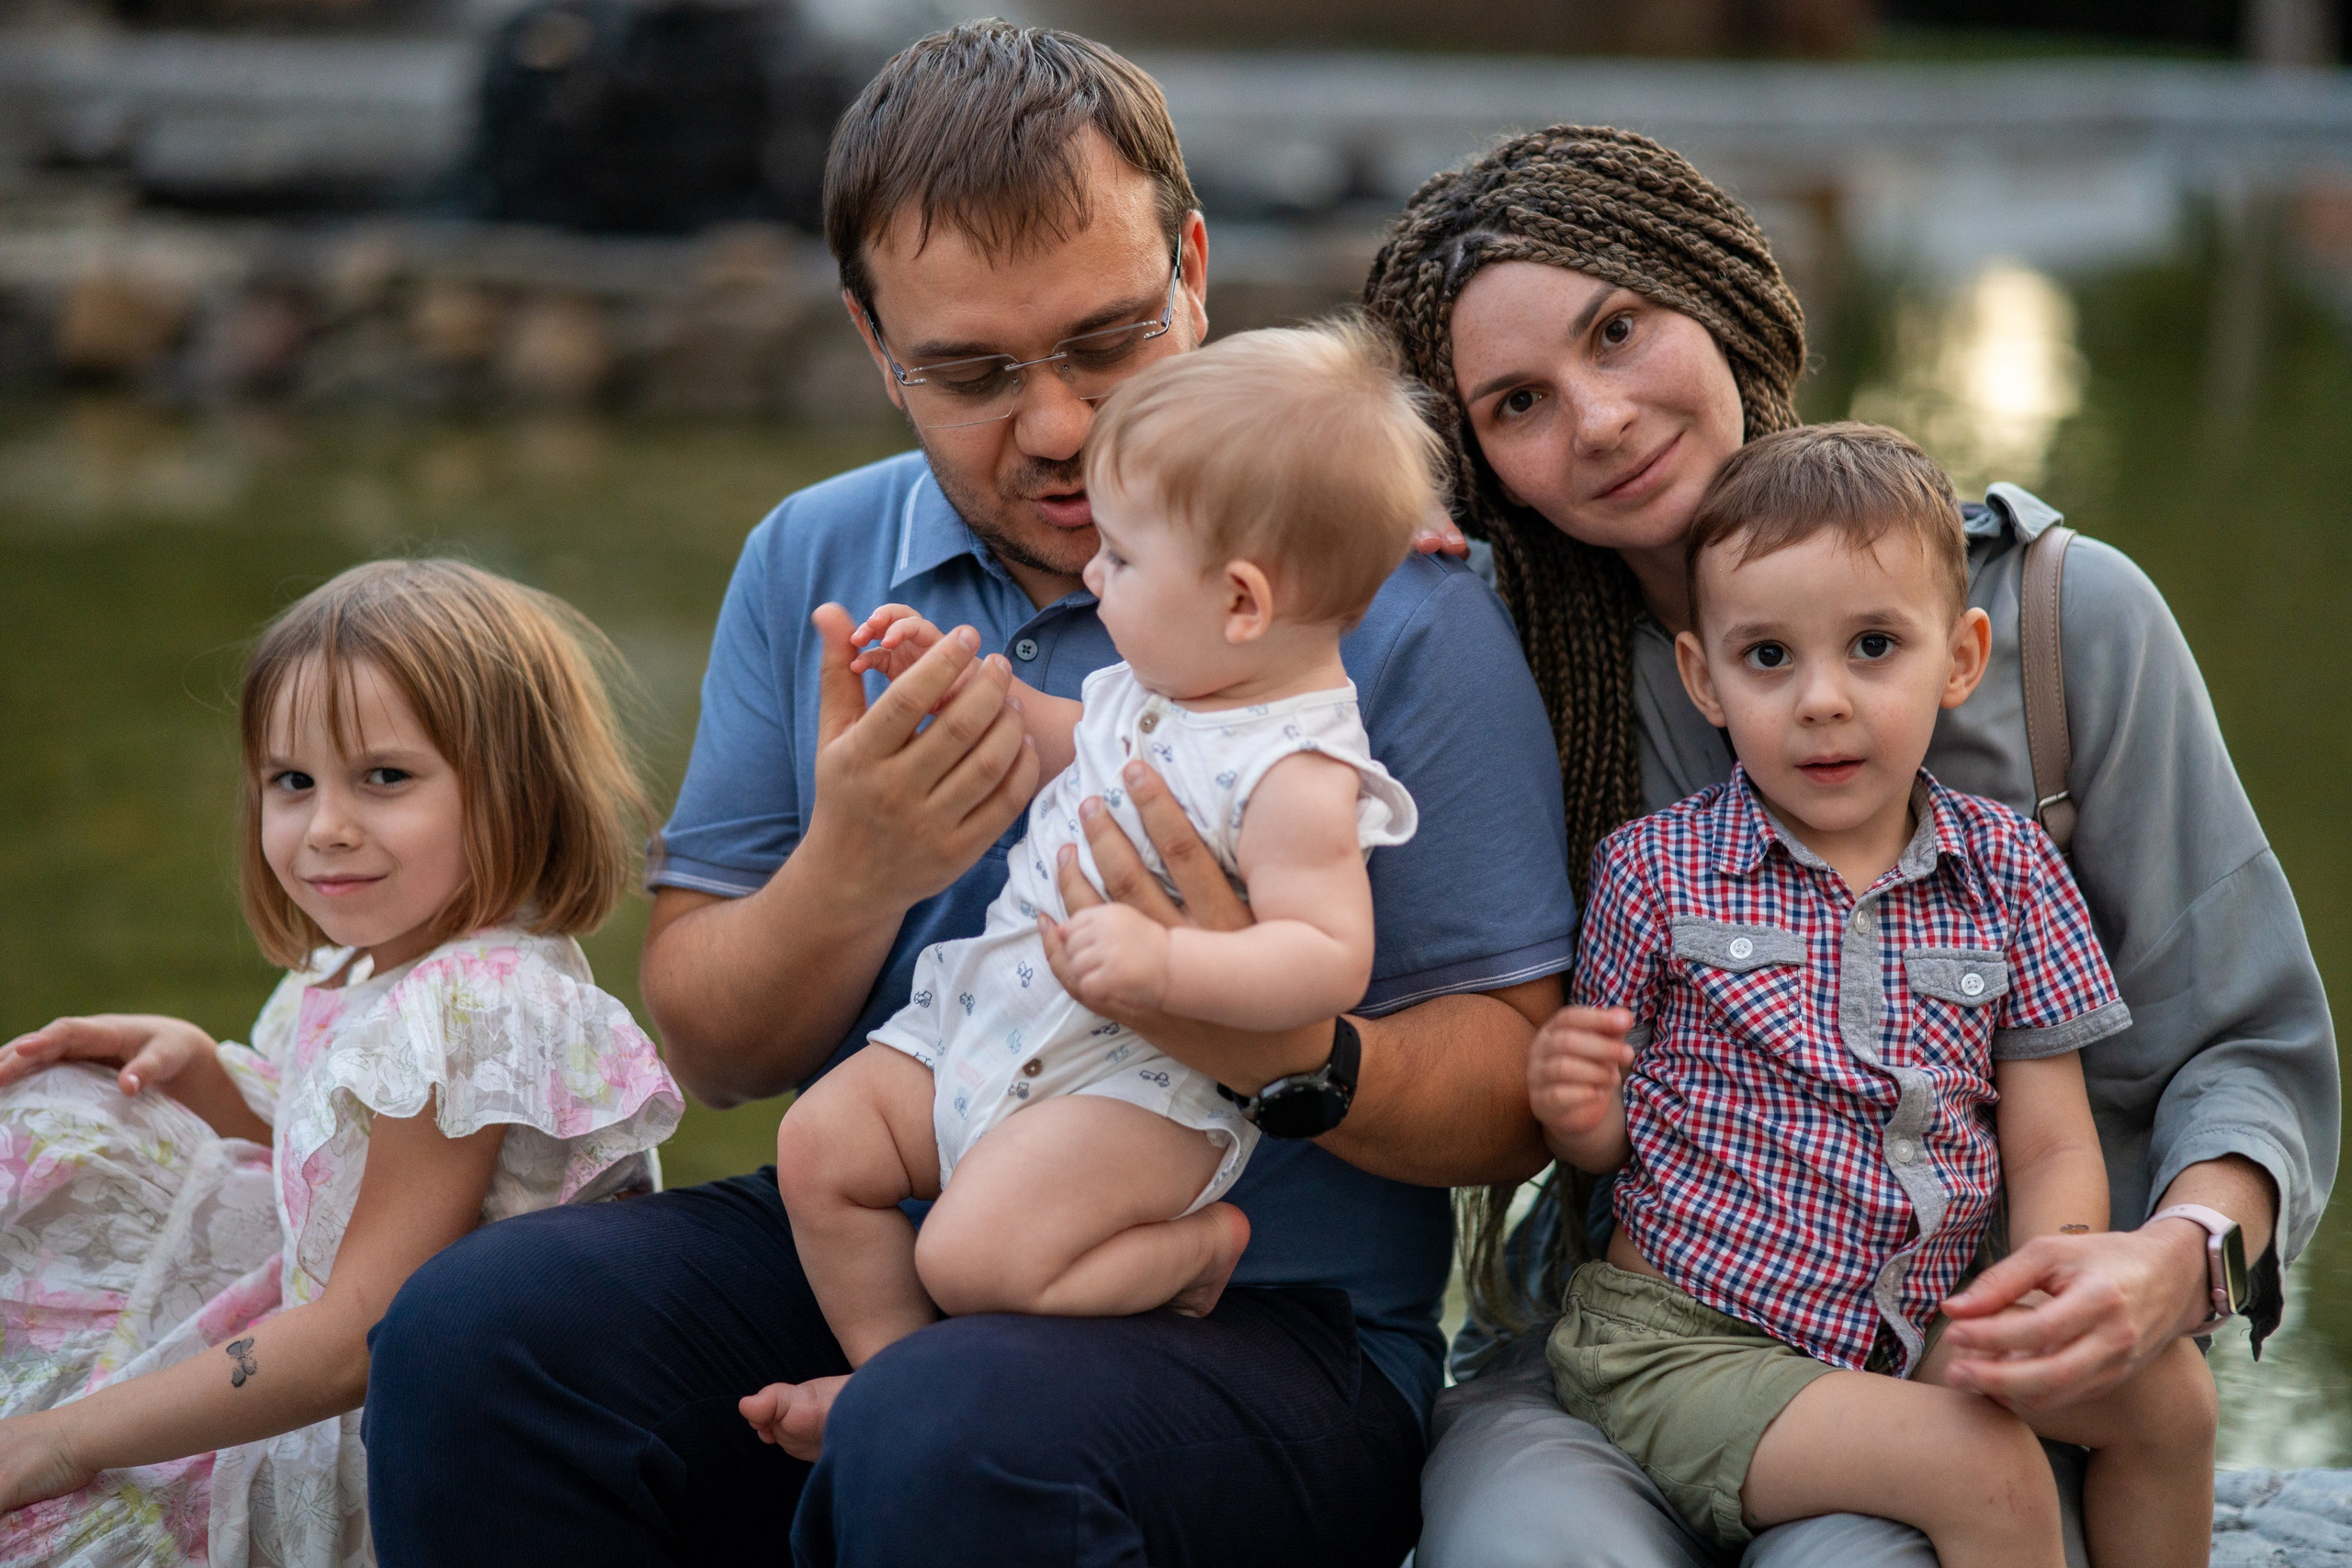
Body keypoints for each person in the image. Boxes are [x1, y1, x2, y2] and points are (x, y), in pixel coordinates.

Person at [360, 24, 1574, 1568]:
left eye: (1109, 340)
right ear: (875, 346)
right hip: (905, 1222)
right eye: (973, 374)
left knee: (950, 1426)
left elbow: (1510, 1097)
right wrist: (854, 866)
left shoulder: (1382, 596)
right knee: (481, 1326)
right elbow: (713, 1044)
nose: (1056, 425)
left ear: (1193, 267)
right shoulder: (816, 558)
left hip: (1268, 1317)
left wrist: (1280, 1043)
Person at [1363, 126, 2336, 1566]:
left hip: (1959, 1349)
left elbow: (2248, 1048)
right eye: (1517, 402)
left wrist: (2171, 1259)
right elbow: (1234, 594)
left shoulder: (2069, 623)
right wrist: (1362, 536)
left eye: (1620, 331)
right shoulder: (1494, 646)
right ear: (1475, 456)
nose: (1602, 418)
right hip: (1643, 1339)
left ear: (1716, 291)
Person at [742, 321, 1431, 1447]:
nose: (1092, 573)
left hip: (1134, 1085)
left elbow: (1324, 955)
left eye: (1119, 555)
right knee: (820, 1148)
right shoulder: (1158, 684)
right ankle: (896, 1385)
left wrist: (1170, 962)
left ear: (1243, 601)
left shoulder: (1298, 772)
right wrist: (941, 675)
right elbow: (1049, 731)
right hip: (994, 1018)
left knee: (971, 1261)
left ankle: (1190, 1256)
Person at [1538, 422, 2213, 1567]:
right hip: (1691, 1345)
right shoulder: (1653, 870)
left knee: (2173, 1400)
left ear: (1958, 659)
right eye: (1768, 659)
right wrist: (1573, 1105)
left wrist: (2037, 1290)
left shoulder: (2006, 868)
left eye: (1870, 647)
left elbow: (2050, 1141)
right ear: (1702, 676)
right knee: (1986, 1471)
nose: (1821, 702)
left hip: (1916, 1324)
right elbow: (1610, 1151)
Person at [0, 560, 682, 1568]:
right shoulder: (361, 973)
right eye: (292, 782)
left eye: (385, 778)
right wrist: (203, 1075)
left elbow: (356, 1328)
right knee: (66, 1110)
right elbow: (338, 1175)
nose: (326, 828)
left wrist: (60, 1442)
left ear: (517, 789)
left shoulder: (473, 1008)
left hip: (422, 1451)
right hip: (341, 1371)